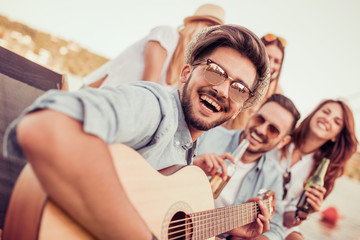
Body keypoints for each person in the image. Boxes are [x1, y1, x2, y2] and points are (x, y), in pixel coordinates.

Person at [3, 25, 271, 239]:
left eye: (239, 88)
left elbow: (161, 217)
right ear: (186, 72)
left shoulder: (186, 148)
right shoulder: (156, 107)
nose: (223, 90)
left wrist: (223, 226)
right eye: (215, 71)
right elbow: (46, 126)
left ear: (237, 111)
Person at [194, 94, 301, 240]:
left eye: (273, 129)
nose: (261, 130)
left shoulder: (272, 176)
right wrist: (192, 167)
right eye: (260, 119)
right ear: (253, 114)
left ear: (283, 141)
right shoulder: (208, 134)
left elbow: (276, 229)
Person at [266, 99, 358, 240]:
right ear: (314, 114)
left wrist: (303, 213)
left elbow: (287, 221)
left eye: (336, 121)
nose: (327, 119)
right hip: (252, 206)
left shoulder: (322, 172)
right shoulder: (281, 134)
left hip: (281, 224)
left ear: (336, 136)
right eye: (325, 112)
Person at [82, 3, 225, 89]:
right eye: (209, 25)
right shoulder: (167, 34)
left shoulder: (187, 63)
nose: (209, 33)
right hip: (97, 95)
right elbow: (147, 87)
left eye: (214, 31)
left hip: (118, 111)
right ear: (195, 22)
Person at [223, 33, 286, 130]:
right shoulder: (237, 75)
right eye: (268, 57)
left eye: (277, 61)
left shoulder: (277, 93)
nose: (271, 65)